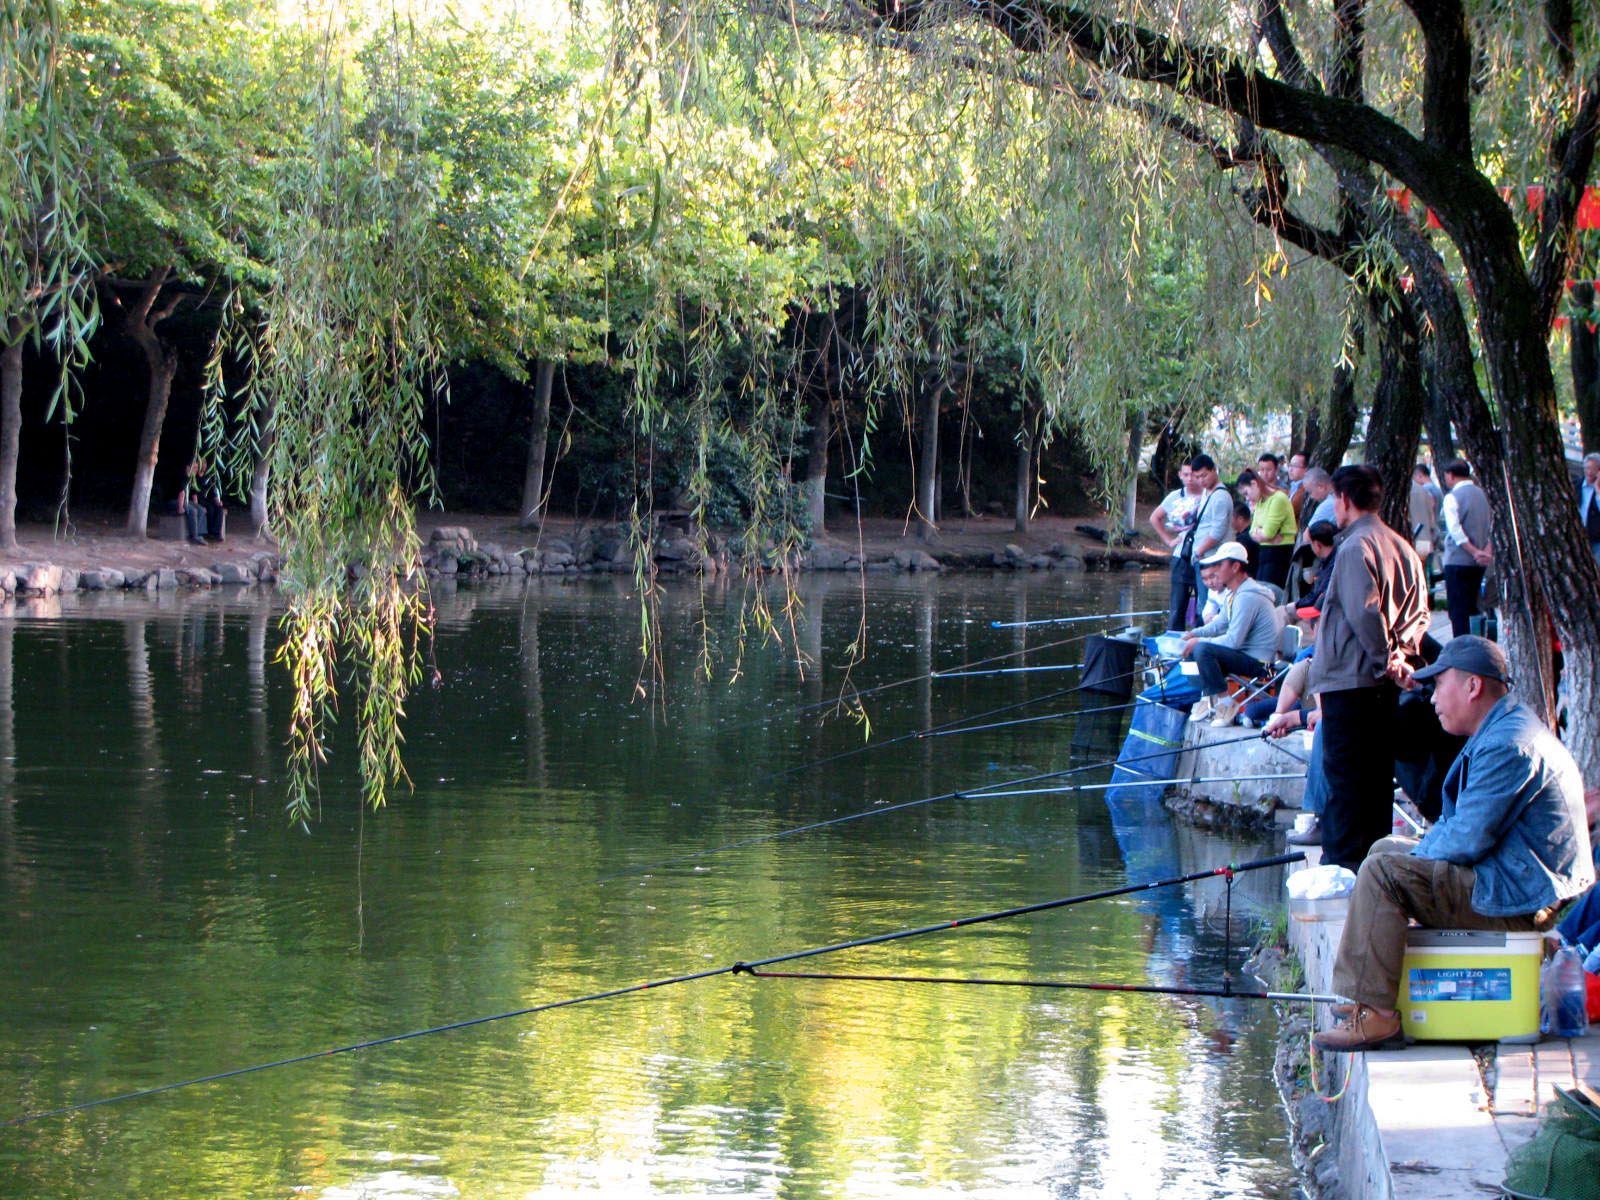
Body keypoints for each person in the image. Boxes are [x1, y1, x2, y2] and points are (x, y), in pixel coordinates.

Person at [1313, 636, 1593, 1052]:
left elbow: (1465, 840)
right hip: (1515, 878)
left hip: (1519, 897)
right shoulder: (1505, 726)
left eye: (1438, 685)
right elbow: (1460, 828)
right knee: (1386, 851)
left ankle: (1377, 1015)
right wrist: (1413, 851)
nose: (1431, 700)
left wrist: (1415, 857)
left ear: (1472, 686)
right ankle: (1369, 994)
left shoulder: (1508, 743)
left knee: (1384, 872)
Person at [1307, 464, 1431, 872]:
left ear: (1343, 499)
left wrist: (1383, 660)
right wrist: (1402, 656)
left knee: (1344, 781)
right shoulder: (1405, 548)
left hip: (1352, 681)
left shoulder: (1354, 547)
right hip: (1385, 683)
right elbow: (1420, 615)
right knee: (1378, 781)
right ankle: (1374, 869)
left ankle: (1341, 870)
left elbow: (1365, 611)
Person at [1181, 541, 1283, 727]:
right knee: (1191, 648)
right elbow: (1218, 625)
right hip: (1244, 656)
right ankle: (1208, 699)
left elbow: (1233, 640)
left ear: (1235, 567)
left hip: (1261, 664)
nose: (1215, 570)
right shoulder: (1234, 594)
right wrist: (1190, 635)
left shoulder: (1247, 597)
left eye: (1220, 565)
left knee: (1202, 649)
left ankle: (1226, 703)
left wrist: (1199, 641)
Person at [1170, 454, 1234, 631]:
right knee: (1203, 603)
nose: (1200, 480)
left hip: (1211, 558)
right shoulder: (1207, 493)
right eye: (1197, 477)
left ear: (1214, 470)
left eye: (1204, 475)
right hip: (1202, 557)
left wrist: (1199, 552)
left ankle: (1209, 635)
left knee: (1208, 601)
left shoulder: (1221, 496)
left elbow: (1218, 531)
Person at [1440, 458, 1492, 637]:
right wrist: (1485, 551)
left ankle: (1461, 650)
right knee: (1474, 607)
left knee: (1458, 611)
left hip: (1458, 560)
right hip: (1480, 562)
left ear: (1451, 475)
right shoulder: (1483, 494)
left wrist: (1473, 550)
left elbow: (1455, 530)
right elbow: (1493, 525)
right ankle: (1478, 643)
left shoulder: (1452, 497)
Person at [1152, 461, 1203, 632]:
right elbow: (1155, 518)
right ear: (1180, 475)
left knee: (1203, 603)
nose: (1190, 479)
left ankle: (1201, 639)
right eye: (1186, 475)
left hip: (1202, 556)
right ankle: (1174, 640)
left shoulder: (1207, 496)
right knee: (1177, 605)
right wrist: (1169, 540)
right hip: (1181, 555)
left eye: (1193, 475)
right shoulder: (1175, 496)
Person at [1239, 468, 1295, 589]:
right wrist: (1266, 537)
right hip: (1265, 553)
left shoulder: (1278, 499)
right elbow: (1252, 531)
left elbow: (1268, 533)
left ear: (1254, 484)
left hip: (1280, 554)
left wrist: (1264, 536)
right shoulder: (1260, 502)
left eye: (1246, 493)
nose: (1247, 499)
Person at [1299, 467, 1337, 533]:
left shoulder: (1328, 504)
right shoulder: (1336, 498)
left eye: (1310, 492)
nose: (1311, 497)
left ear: (1321, 487)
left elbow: (1308, 535)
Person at [1579, 452, 1600, 566]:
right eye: (1587, 468)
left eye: (1594, 468)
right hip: (1577, 534)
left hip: (1596, 539)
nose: (1590, 472)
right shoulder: (1575, 485)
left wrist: (1598, 491)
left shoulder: (1598, 491)